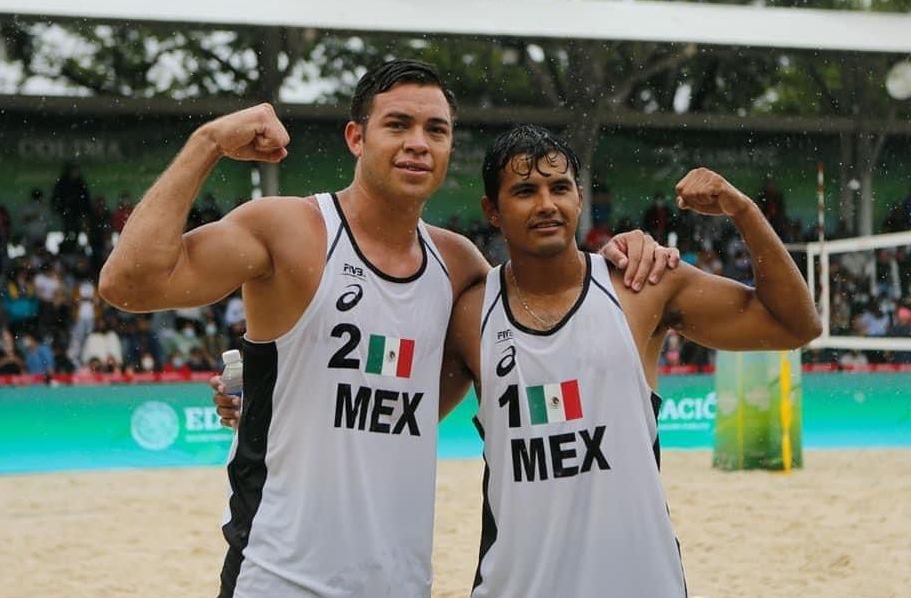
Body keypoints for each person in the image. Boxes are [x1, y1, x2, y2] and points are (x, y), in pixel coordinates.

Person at [100, 60, 674, 597]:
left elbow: (441, 389)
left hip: (400, 580)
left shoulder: (459, 267)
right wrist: (207, 144)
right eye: (397, 124)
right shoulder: (291, 230)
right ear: (357, 137)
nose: (418, 143)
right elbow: (129, 284)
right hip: (278, 575)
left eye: (436, 130)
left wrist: (628, 250)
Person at [432, 125, 820, 596]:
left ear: (580, 197)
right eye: (524, 191)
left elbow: (796, 325)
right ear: (492, 211)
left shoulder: (640, 285)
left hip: (642, 581)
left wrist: (743, 211)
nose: (546, 204)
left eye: (560, 188)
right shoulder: (470, 313)